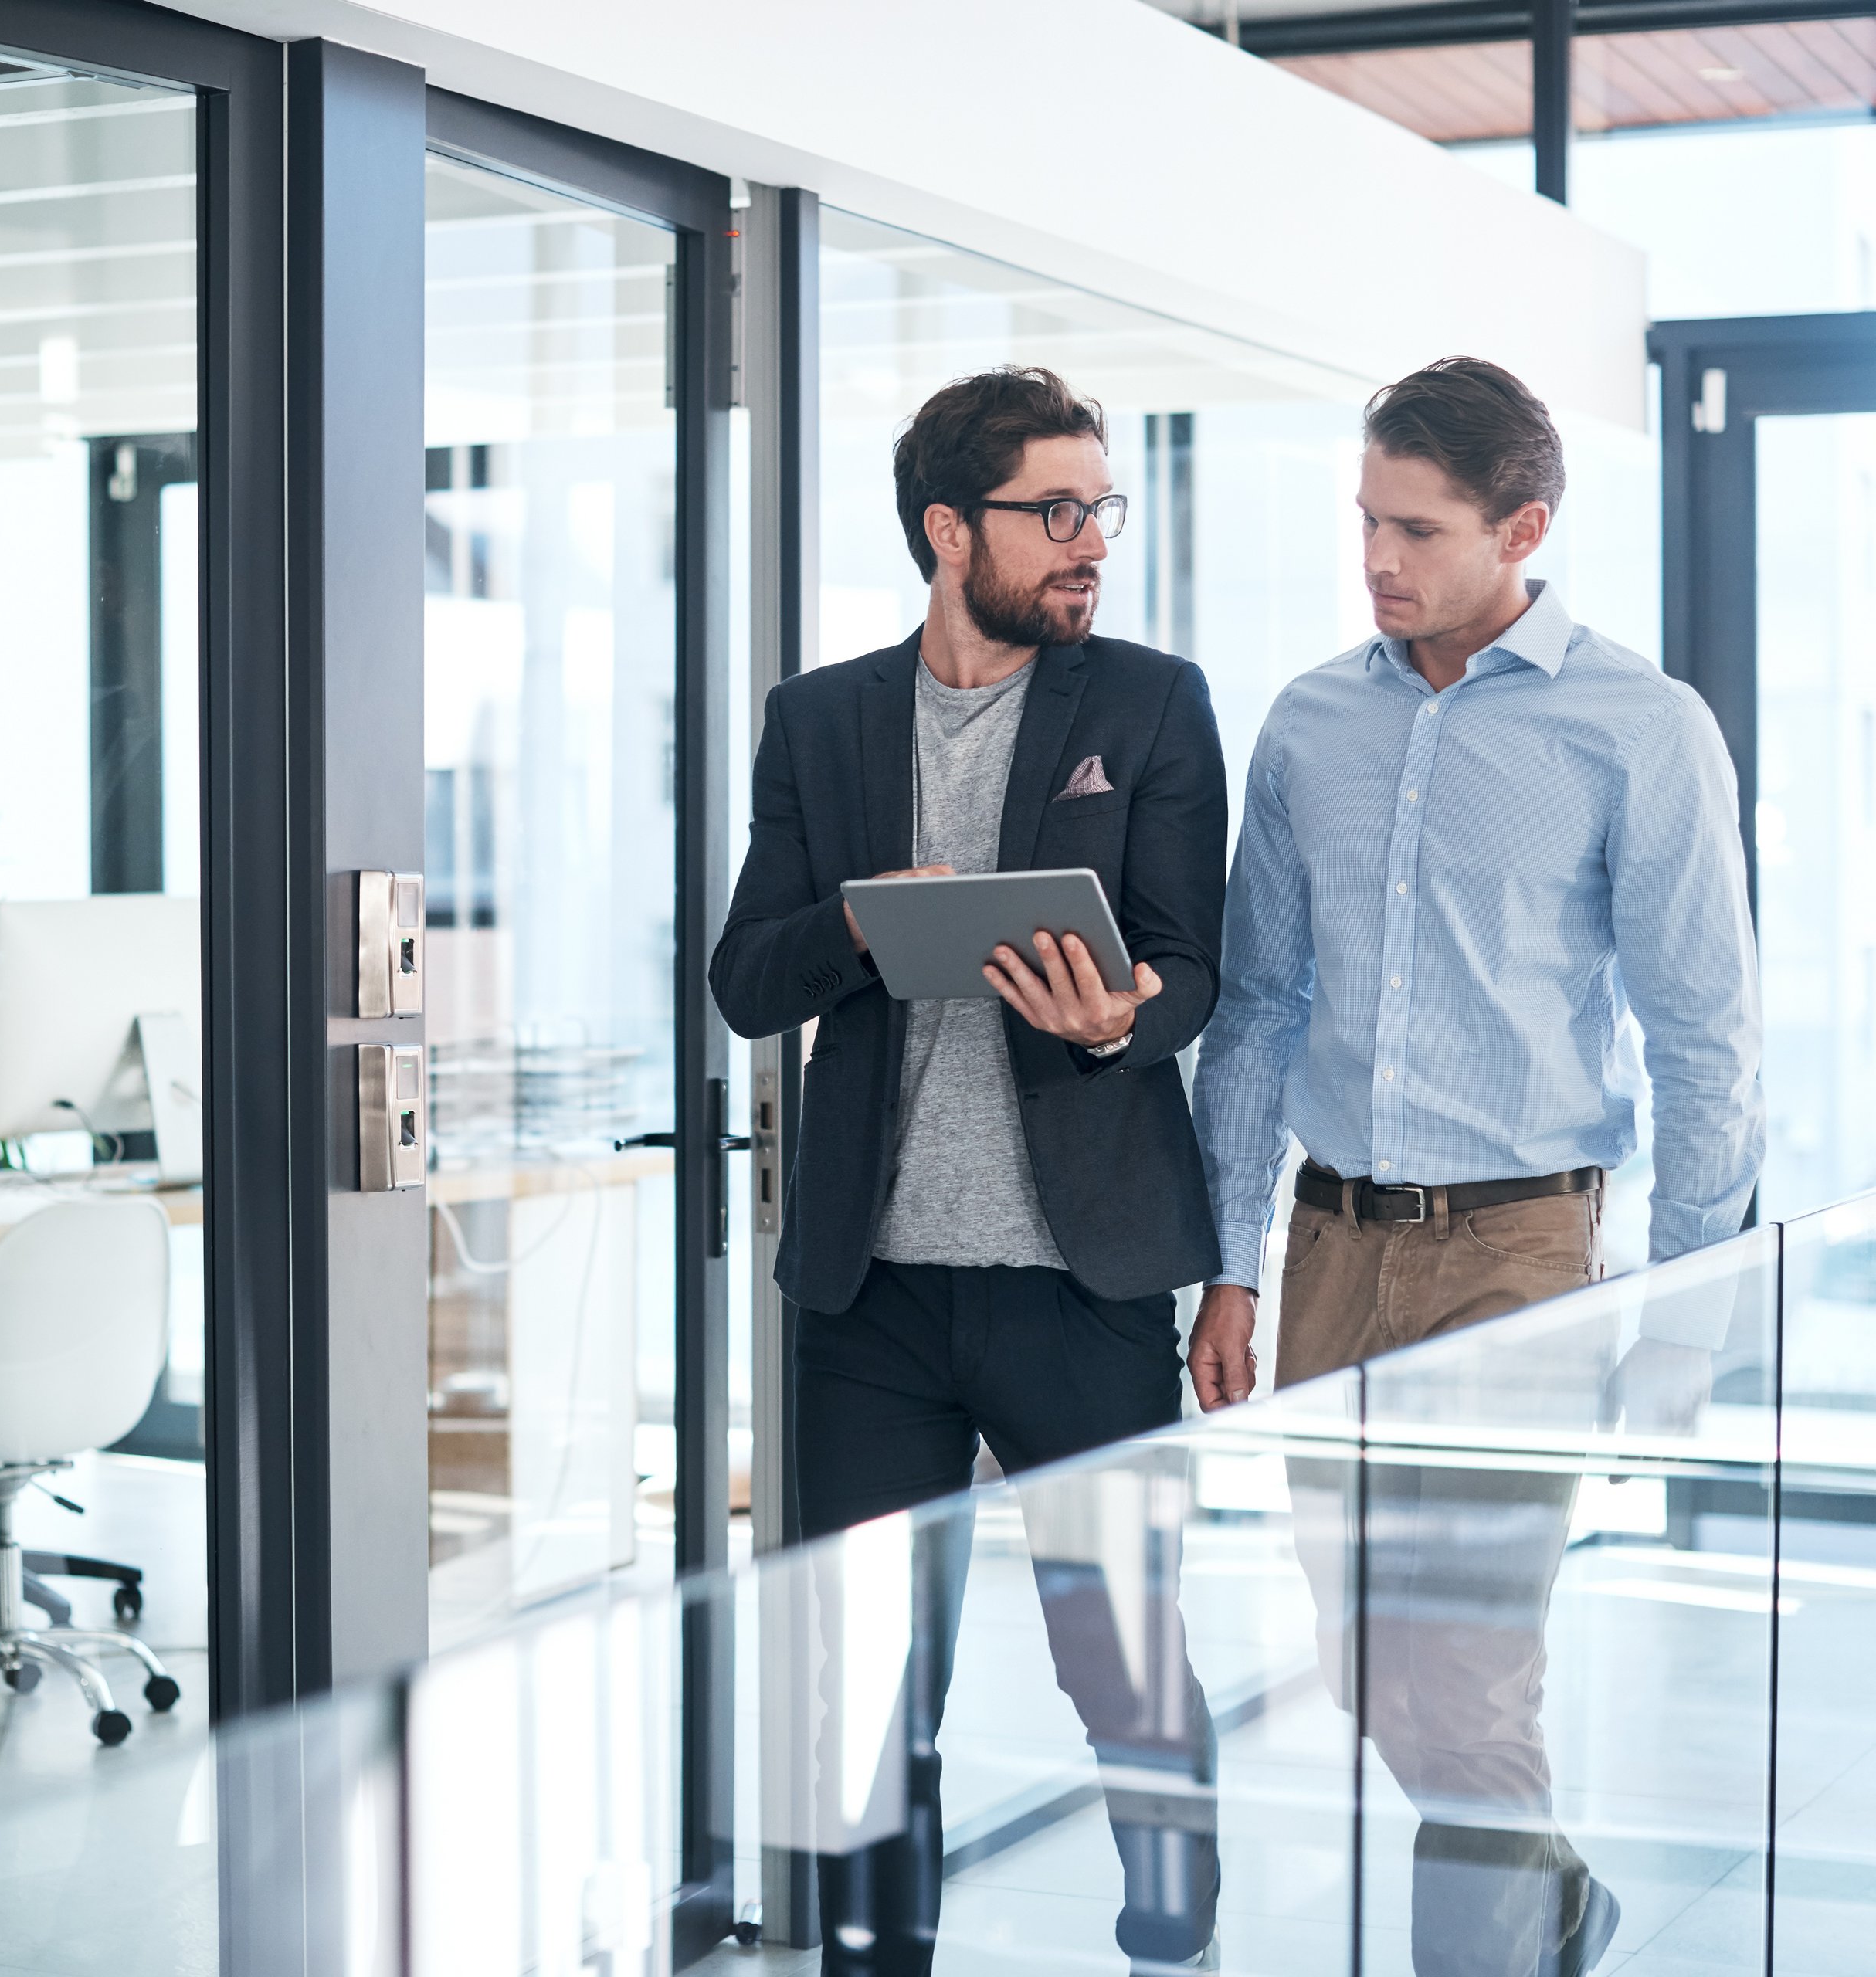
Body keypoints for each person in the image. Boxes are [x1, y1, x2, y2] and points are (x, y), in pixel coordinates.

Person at [1189, 357, 1762, 1977]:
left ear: (1524, 527)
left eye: (1417, 530)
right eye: (1366, 519)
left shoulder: (1641, 728)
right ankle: (1553, 1892)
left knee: (1475, 1659)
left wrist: (1684, 1315)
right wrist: (1231, 1259)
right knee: (1366, 1661)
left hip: (1522, 1255)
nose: (1378, 558)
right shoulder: (1310, 718)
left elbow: (1703, 1036)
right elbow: (1257, 1008)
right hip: (1330, 1246)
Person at [710, 365, 1228, 1974]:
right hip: (871, 1296)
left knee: (1126, 1669)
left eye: (1101, 509)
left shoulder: (1149, 701)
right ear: (951, 530)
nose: (1090, 542)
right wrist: (867, 922)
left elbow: (1192, 963)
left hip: (1083, 1279)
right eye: (1055, 511)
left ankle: (1172, 1945)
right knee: (864, 1691)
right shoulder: (822, 718)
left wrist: (1120, 1015)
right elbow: (746, 980)